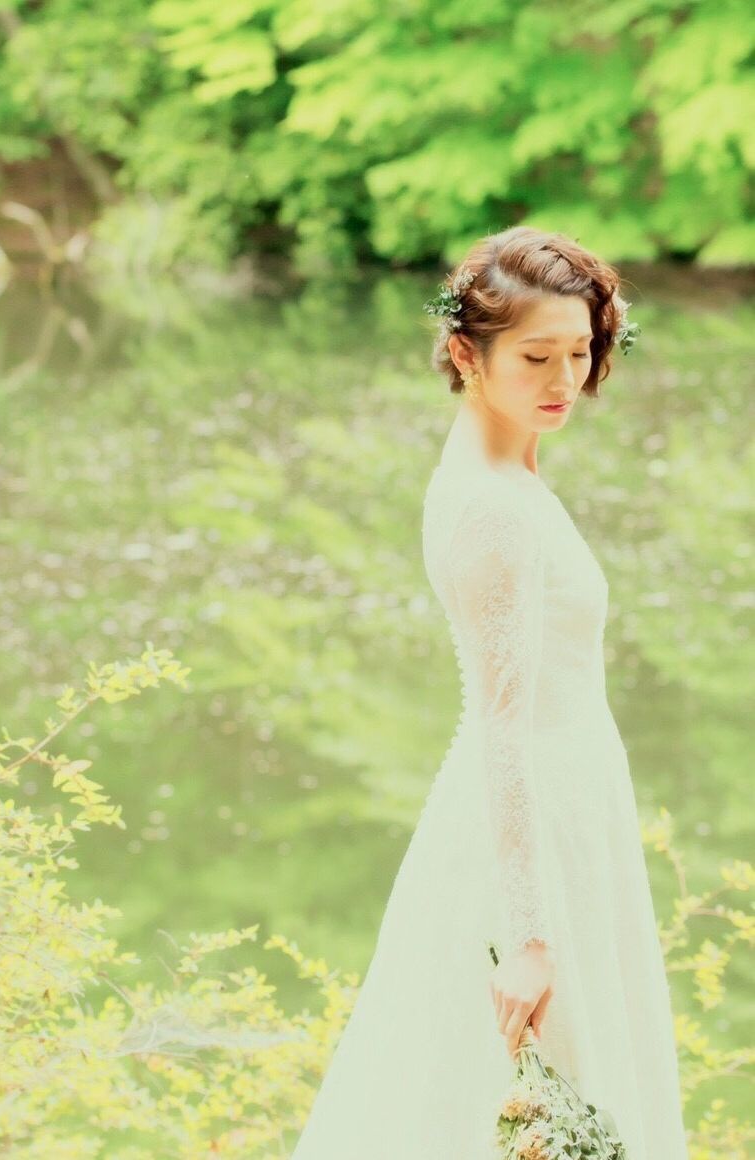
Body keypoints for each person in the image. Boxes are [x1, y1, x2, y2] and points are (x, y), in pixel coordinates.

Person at [288, 226, 689, 1159]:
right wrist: (530, 937)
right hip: (530, 831)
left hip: (572, 810)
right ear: (467, 354)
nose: (564, 380)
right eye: (536, 358)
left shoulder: (511, 469)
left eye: (580, 353)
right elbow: (505, 728)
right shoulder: (491, 509)